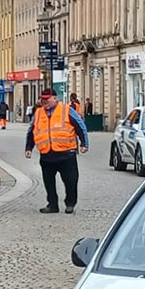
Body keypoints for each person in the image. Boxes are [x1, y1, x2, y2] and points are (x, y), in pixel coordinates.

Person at [25, 85, 88, 214]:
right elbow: (32, 131)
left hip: (66, 154)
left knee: (71, 180)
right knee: (49, 182)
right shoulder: (38, 113)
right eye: (43, 99)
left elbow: (80, 126)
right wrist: (29, 147)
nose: (45, 102)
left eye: (47, 99)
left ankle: (70, 203)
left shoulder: (66, 110)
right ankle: (52, 204)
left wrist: (84, 143)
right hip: (47, 154)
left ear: (55, 98)